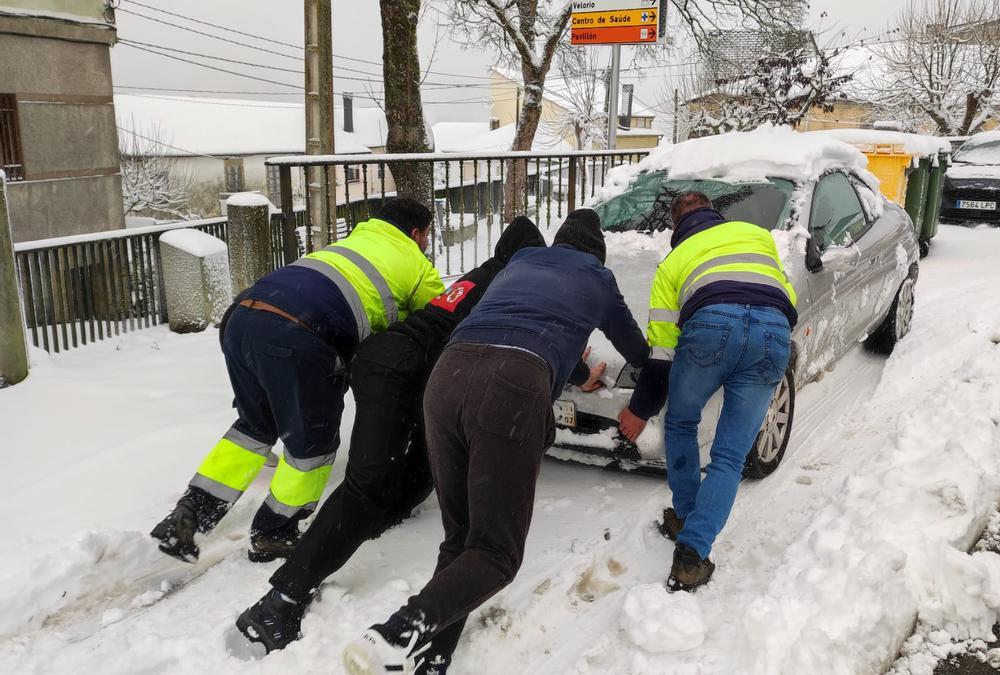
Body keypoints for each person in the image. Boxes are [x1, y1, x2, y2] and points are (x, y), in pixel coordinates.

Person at [232, 217, 567, 660]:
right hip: (404, 372)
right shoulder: (509, 286)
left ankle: (379, 518)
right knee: (365, 488)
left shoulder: (477, 276)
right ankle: (280, 603)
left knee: (417, 467)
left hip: (386, 361)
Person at [339, 208, 650, 675]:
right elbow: (636, 349)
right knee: (497, 553)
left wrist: (580, 374)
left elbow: (528, 319)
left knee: (462, 538)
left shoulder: (522, 263)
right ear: (597, 255)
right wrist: (652, 376)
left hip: (447, 377)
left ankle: (431, 657)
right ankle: (397, 632)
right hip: (513, 384)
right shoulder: (598, 277)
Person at [150, 197, 445, 564]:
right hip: (299, 336)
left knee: (254, 428)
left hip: (243, 317)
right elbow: (439, 321)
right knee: (312, 446)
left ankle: (190, 513)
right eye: (427, 237)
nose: (427, 244)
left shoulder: (346, 245)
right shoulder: (417, 266)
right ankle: (275, 533)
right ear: (417, 234)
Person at [617, 191, 797, 592]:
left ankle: (685, 516)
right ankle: (692, 556)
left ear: (676, 229)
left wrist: (641, 408)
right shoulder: (756, 236)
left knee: (681, 422)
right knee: (731, 456)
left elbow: (662, 351)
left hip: (711, 326)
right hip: (773, 332)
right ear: (715, 214)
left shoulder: (673, 262)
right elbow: (786, 292)